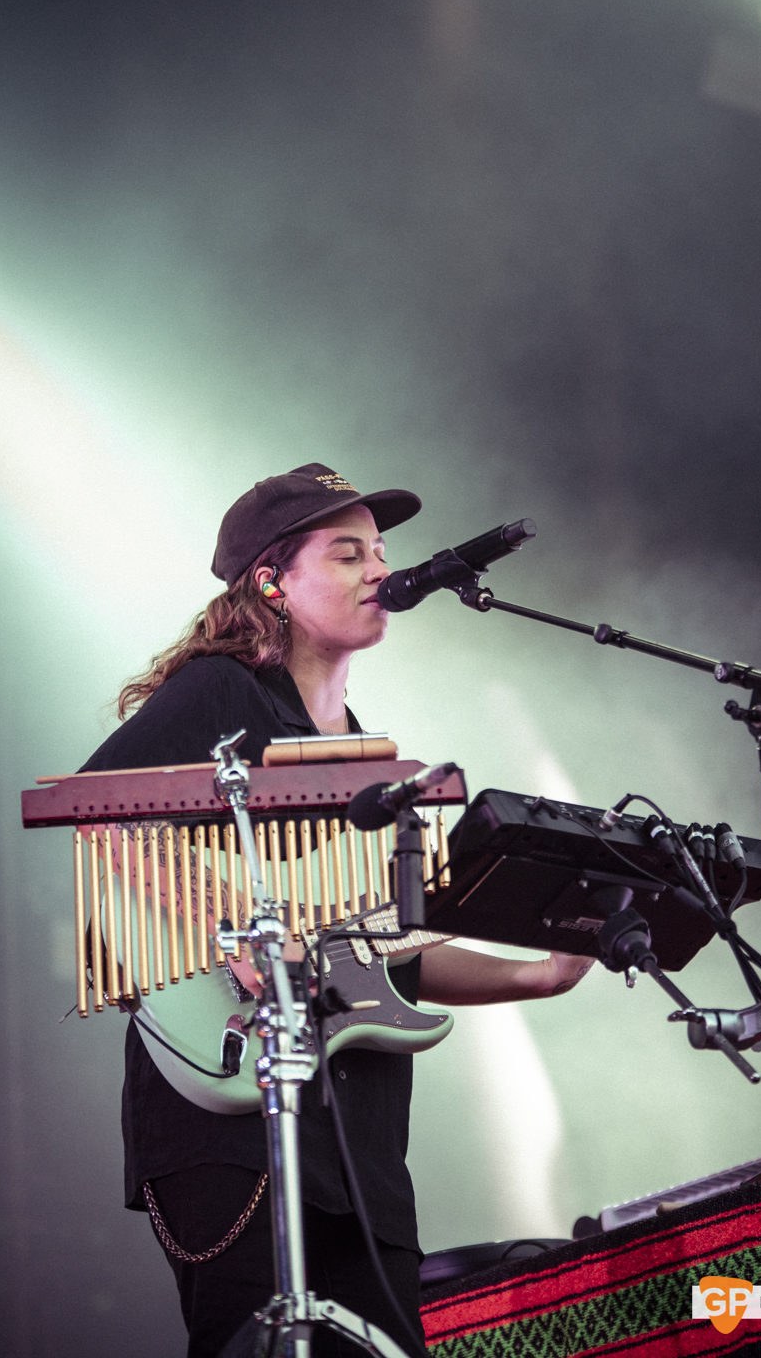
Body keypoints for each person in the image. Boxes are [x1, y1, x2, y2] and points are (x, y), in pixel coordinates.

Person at [81, 462, 594, 1358]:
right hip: (231, 1101)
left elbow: (378, 956)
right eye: (348, 552)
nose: (377, 572)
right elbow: (98, 808)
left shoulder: (356, 741)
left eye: (382, 554)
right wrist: (227, 921)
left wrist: (539, 973)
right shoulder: (223, 690)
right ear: (271, 580)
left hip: (357, 1130)